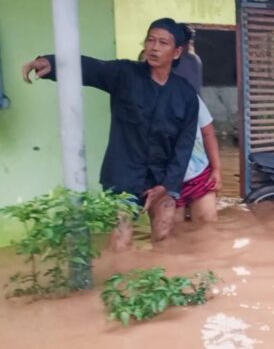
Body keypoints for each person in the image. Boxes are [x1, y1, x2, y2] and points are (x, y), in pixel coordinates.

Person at [21, 17, 199, 250]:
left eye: (163, 43)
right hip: (123, 176)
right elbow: (91, 68)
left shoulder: (185, 95)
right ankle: (121, 281)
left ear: (176, 53)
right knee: (121, 239)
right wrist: (50, 63)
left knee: (164, 235)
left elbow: (184, 147)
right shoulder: (124, 74)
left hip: (162, 179)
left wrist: (166, 185)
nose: (154, 47)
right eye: (150, 40)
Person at [173, 23, 221, 224]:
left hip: (197, 169)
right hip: (166, 177)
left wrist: (216, 168)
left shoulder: (190, 63)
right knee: (172, 232)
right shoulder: (193, 60)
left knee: (201, 231)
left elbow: (208, 132)